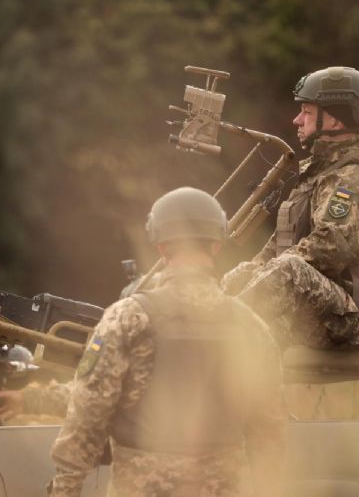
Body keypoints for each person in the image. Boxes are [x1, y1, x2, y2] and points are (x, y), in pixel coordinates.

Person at [47, 187, 286, 497]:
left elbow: (87, 414)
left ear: (161, 248)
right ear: (216, 246)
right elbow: (269, 431)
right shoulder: (251, 327)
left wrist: (66, 489)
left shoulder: (127, 318)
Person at [221, 66, 359, 350]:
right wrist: (242, 278)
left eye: (307, 112)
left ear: (335, 120)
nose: (296, 120)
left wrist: (263, 278)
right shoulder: (320, 173)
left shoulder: (358, 177)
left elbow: (331, 249)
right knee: (235, 276)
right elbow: (275, 250)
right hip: (321, 303)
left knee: (288, 270)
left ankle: (217, 340)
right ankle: (213, 331)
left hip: (356, 315)